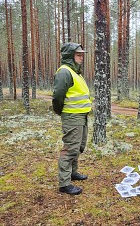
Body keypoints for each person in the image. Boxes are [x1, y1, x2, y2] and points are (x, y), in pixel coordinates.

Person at [52, 43, 92, 195]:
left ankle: (73, 173)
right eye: (78, 55)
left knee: (78, 146)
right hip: (72, 116)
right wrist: (60, 112)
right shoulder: (65, 72)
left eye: (82, 55)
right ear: (69, 56)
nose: (81, 57)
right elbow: (57, 96)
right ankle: (64, 183)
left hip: (81, 116)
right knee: (70, 149)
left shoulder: (76, 72)